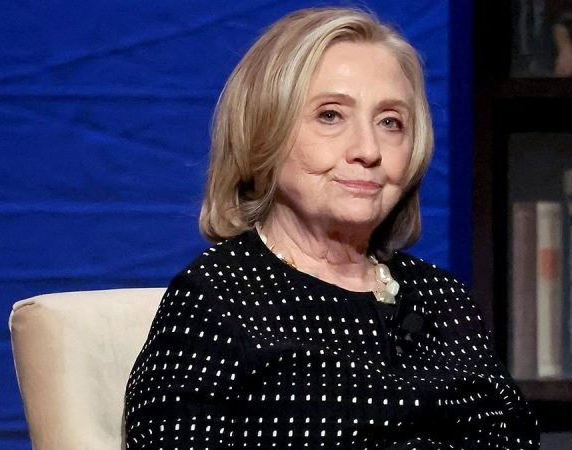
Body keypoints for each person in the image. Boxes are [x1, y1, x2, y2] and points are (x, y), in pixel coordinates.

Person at [124, 7, 540, 449]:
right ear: (264, 132)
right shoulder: (217, 298)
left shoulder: (443, 298)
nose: (368, 150)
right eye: (330, 116)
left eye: (390, 122)